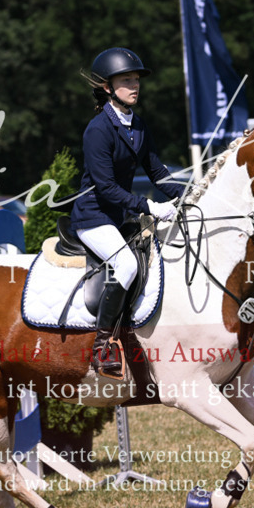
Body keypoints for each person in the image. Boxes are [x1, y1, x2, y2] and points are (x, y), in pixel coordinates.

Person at [70, 47, 186, 379]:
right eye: (126, 80)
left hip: (118, 217)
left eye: (136, 79)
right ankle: (102, 345)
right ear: (107, 87)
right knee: (126, 264)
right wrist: (149, 206)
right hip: (94, 218)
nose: (135, 85)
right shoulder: (98, 129)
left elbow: (158, 173)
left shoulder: (137, 124)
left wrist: (190, 195)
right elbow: (105, 188)